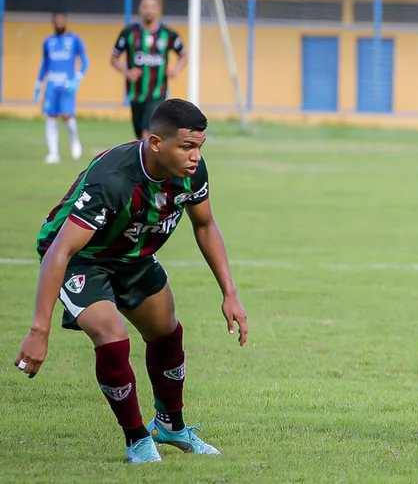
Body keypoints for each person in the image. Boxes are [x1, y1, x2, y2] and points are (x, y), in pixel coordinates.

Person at [13, 98, 249, 464]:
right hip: (82, 260)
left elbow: (204, 225)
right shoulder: (114, 178)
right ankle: (137, 439)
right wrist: (38, 330)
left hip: (133, 258)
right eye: (187, 146)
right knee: (112, 337)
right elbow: (60, 251)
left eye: (200, 147)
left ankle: (170, 426)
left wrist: (230, 293)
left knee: (167, 333)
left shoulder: (190, 173)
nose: (195, 157)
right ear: (156, 143)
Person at [112, 0, 187, 140]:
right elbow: (114, 58)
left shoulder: (169, 34)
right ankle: (147, 161)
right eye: (145, 7)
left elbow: (184, 56)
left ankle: (152, 160)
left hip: (158, 93)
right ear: (140, 9)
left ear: (158, 9)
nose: (149, 10)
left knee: (148, 133)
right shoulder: (129, 33)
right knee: (140, 135)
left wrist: (175, 69)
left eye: (153, 7)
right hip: (135, 93)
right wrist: (127, 72)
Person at [35, 11, 89, 164]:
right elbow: (44, 64)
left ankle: (74, 139)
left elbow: (85, 62)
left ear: (65, 22)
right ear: (53, 23)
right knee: (51, 116)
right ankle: (53, 153)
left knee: (66, 116)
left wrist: (77, 78)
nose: (59, 24)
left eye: (61, 21)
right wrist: (38, 83)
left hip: (67, 85)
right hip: (52, 85)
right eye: (56, 21)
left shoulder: (74, 40)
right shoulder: (48, 41)